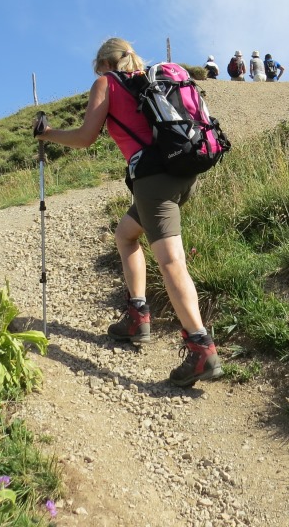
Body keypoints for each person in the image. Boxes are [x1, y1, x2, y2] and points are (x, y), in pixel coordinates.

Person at [33, 38, 223, 387]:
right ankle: (138, 316)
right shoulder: (159, 78)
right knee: (126, 234)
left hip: (153, 179)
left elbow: (85, 137)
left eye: (96, 68)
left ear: (104, 63)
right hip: (184, 170)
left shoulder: (107, 83)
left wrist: (48, 134)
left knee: (170, 261)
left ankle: (201, 349)